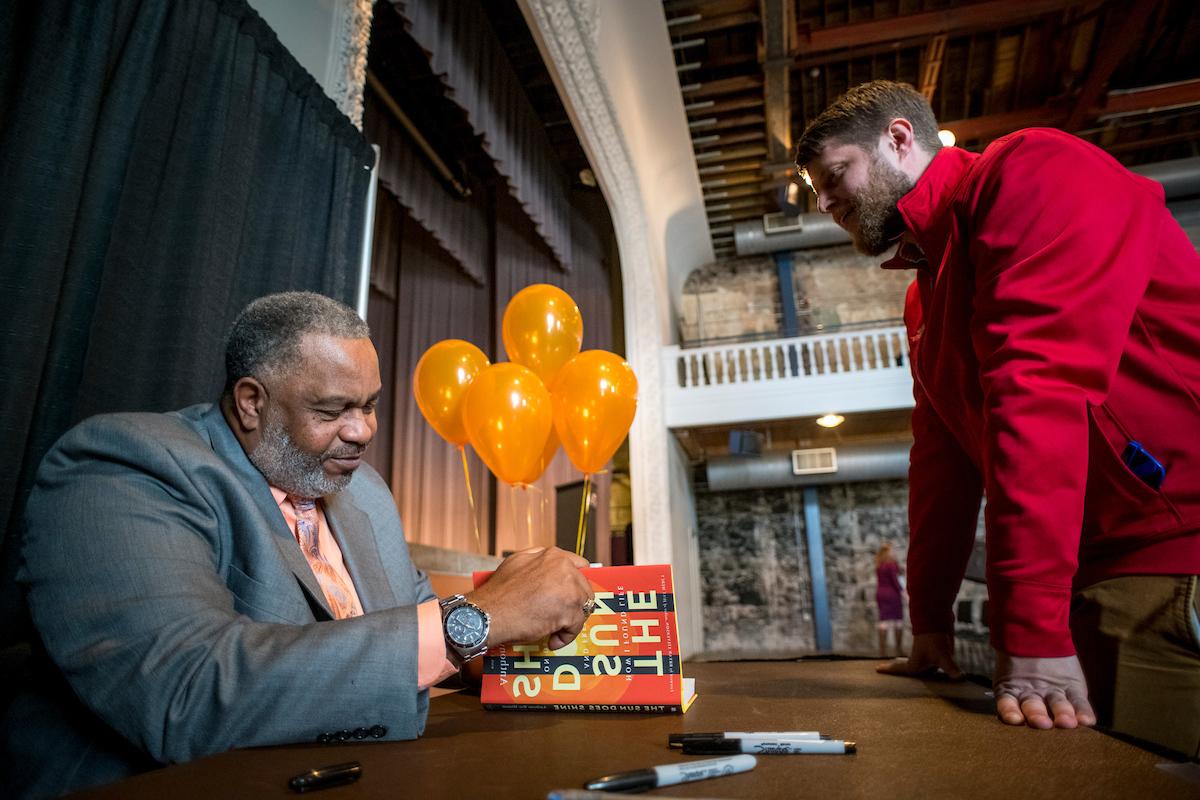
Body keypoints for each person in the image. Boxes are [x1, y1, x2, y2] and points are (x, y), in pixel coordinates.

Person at [1, 291, 596, 797]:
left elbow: (408, 634)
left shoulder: (364, 494)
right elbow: (187, 692)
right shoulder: (126, 464)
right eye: (333, 409)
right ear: (251, 402)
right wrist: (474, 620)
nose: (363, 431)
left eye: (369, 405)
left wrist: (518, 636)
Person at [796, 81, 1200, 757]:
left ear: (899, 139)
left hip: (1174, 553)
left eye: (835, 176)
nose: (827, 203)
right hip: (1102, 572)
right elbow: (943, 462)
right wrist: (930, 621)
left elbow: (1039, 391)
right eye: (817, 191)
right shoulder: (924, 300)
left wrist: (1035, 634)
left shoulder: (1036, 170)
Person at [874, 543, 904, 657]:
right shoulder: (892, 565)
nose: (894, 552)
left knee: (883, 622)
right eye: (893, 550)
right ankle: (899, 650)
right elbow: (895, 582)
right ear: (888, 552)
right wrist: (904, 593)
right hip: (892, 595)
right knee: (898, 622)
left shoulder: (879, 565)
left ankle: (882, 652)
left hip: (880, 594)